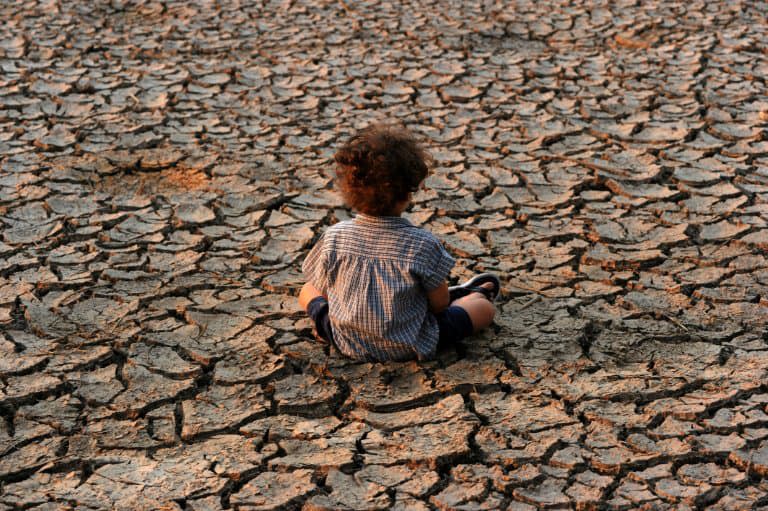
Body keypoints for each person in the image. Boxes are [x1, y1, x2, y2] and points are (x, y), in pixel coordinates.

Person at [298, 123, 498, 362]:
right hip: (410, 343)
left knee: (307, 289)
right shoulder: (422, 244)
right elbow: (439, 304)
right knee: (483, 309)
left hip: (345, 340)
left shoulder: (334, 237)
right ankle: (470, 294)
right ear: (407, 193)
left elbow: (324, 290)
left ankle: (465, 294)